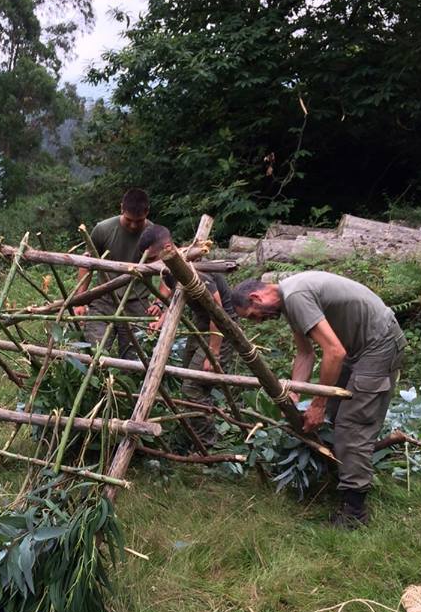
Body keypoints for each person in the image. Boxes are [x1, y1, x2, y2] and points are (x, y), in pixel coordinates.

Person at [231, 272, 406, 528]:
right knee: (338, 413)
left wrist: (317, 404)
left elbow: (334, 352)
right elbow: (305, 354)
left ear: (256, 297)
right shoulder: (290, 300)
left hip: (378, 345)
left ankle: (354, 513)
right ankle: (344, 478)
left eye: (253, 316)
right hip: (360, 347)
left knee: (352, 425)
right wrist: (293, 393)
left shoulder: (296, 296)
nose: (259, 322)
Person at [138, 225, 237, 450]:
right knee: (188, 378)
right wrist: (161, 320)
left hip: (221, 329)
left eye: (153, 257)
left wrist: (213, 352)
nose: (151, 263)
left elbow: (217, 312)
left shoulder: (196, 271)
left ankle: (207, 445)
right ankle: (194, 436)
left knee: (192, 387)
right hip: (201, 324)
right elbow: (176, 295)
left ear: (166, 248)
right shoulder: (170, 268)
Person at [73, 188, 152, 359]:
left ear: (147, 212)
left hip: (136, 304)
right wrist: (80, 300)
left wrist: (160, 304)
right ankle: (98, 386)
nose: (133, 225)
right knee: (94, 354)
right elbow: (87, 264)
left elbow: (165, 269)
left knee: (134, 361)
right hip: (103, 300)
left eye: (138, 221)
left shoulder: (153, 234)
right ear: (121, 208)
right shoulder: (103, 229)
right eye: (129, 220)